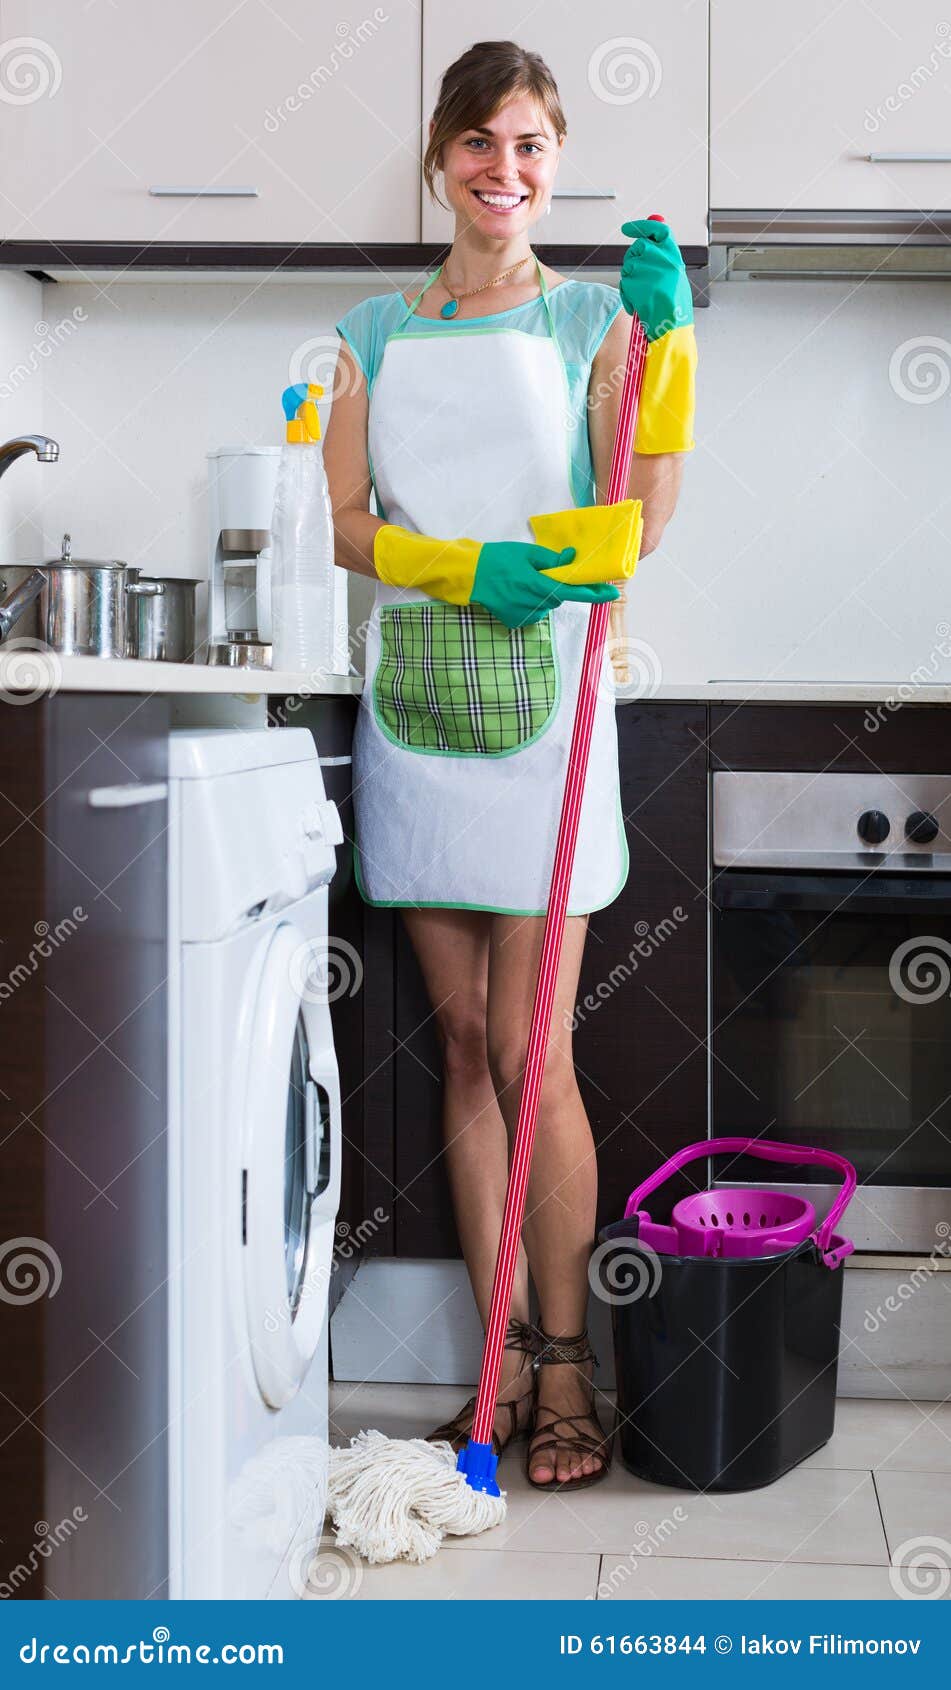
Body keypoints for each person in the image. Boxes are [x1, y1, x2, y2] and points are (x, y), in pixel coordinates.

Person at [324, 38, 696, 1491]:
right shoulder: (365, 329)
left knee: (538, 1050)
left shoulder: (596, 317)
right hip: (417, 710)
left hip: (544, 718)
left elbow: (641, 522)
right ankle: (479, 1388)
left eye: (531, 144)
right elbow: (350, 521)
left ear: (554, 163)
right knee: (465, 1042)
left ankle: (560, 1373)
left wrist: (664, 365)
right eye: (480, 142)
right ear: (441, 155)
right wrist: (453, 561)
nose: (506, 169)